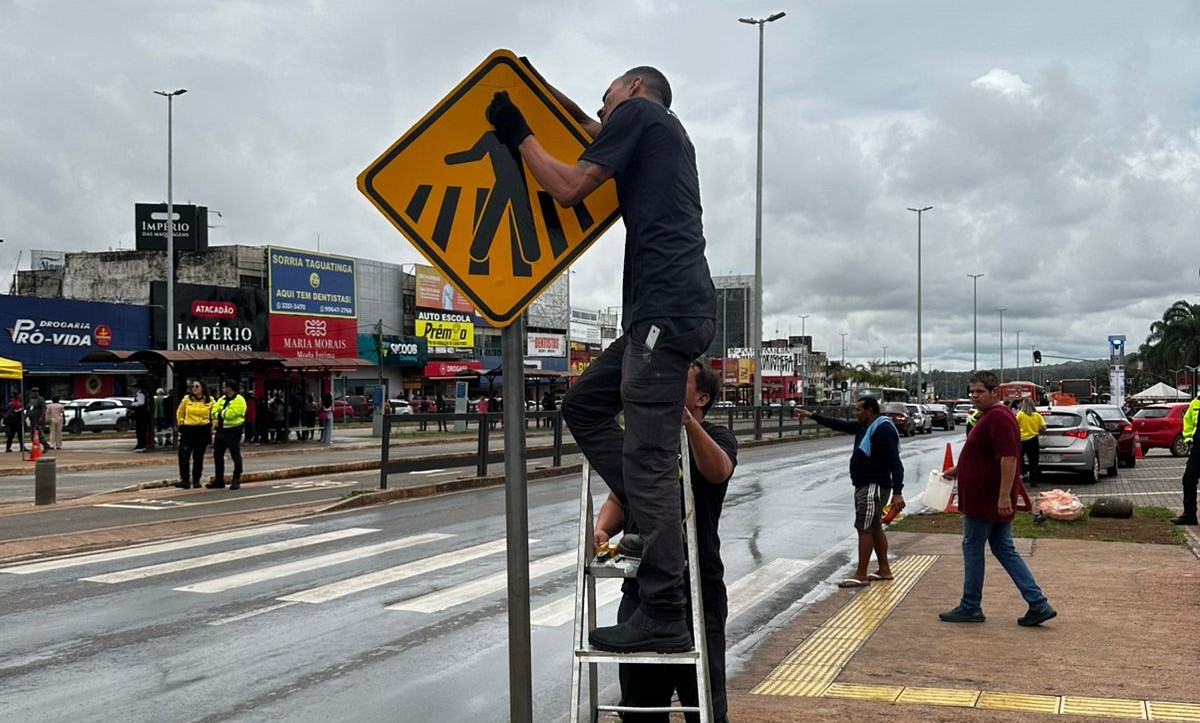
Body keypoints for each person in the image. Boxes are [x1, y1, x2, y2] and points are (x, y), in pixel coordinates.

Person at [488, 64, 718, 652]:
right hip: (660, 314)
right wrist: (536, 88)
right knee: (584, 403)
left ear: (635, 89)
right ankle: (646, 519)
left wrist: (517, 130)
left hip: (663, 314)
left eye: (607, 92)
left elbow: (567, 188)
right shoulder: (655, 130)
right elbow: (590, 126)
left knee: (648, 459)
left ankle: (664, 608)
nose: (601, 104)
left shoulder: (642, 115)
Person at [594, 360, 737, 723]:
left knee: (704, 706)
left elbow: (718, 470)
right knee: (639, 708)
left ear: (701, 398)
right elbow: (617, 497)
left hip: (698, 593)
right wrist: (602, 529)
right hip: (641, 594)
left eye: (679, 380)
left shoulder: (717, 436)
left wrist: (686, 424)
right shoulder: (645, 442)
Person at [940, 371, 1056, 626]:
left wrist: (1004, 497)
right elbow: (983, 455)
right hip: (988, 497)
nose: (974, 396)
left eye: (980, 392)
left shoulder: (999, 418)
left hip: (986, 499)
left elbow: (1009, 458)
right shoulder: (988, 417)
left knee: (972, 546)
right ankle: (1037, 603)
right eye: (972, 392)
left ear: (995, 393)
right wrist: (958, 470)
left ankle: (970, 606)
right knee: (1003, 548)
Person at [795, 396, 905, 587]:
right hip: (865, 484)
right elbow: (839, 425)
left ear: (870, 410)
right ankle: (884, 570)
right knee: (875, 527)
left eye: (858, 410)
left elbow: (895, 463)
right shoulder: (864, 426)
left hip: (874, 485)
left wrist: (898, 492)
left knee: (864, 528)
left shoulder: (882, 429)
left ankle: (861, 574)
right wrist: (812, 415)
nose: (856, 413)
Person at [175, 380, 214, 489]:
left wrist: (212, 426)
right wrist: (181, 423)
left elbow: (215, 414)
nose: (194, 388)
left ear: (203, 388)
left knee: (198, 457)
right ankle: (185, 479)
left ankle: (196, 479)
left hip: (202, 430)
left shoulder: (209, 400)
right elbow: (180, 412)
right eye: (193, 386)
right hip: (188, 429)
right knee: (183, 455)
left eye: (197, 386)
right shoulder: (187, 399)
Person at [209, 379, 246, 490]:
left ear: (230, 388)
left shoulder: (240, 400)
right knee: (218, 455)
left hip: (233, 431)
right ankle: (219, 480)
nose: (222, 389)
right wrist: (221, 413)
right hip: (221, 431)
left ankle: (236, 480)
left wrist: (221, 413)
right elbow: (213, 412)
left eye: (224, 387)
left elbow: (233, 413)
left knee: (235, 456)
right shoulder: (221, 399)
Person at [1171, 394, 1200, 526]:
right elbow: (1187, 421)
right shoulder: (1196, 403)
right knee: (1188, 480)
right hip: (1197, 448)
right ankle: (1189, 515)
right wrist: (1189, 441)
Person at [1015, 397, 1045, 487]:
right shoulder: (1037, 415)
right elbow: (1043, 427)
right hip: (1033, 439)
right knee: (1033, 461)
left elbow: (1015, 425)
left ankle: (1023, 472)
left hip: (1021, 439)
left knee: (1019, 458)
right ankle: (1034, 480)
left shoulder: (1020, 414)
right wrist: (1036, 429)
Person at [130, 383, 150, 451]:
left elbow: (141, 402)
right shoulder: (141, 394)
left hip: (141, 416)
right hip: (141, 416)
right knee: (140, 431)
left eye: (132, 389)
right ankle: (140, 445)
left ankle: (141, 445)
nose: (132, 391)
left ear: (136, 389)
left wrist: (133, 404)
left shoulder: (140, 394)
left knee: (141, 431)